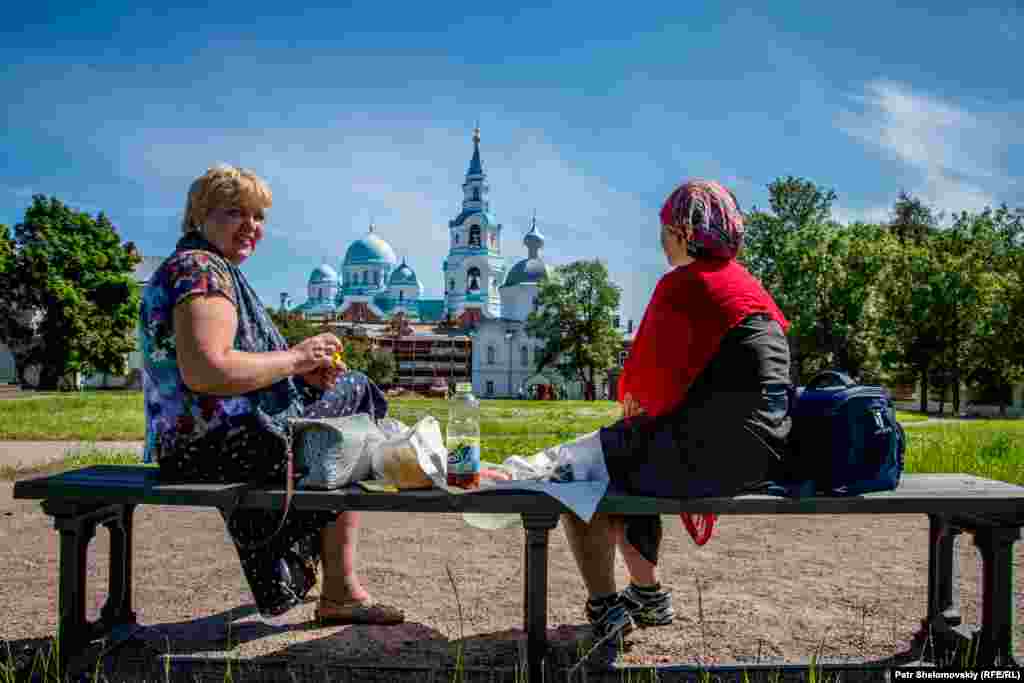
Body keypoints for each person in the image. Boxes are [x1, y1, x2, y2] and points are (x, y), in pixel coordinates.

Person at [139, 164, 404, 625]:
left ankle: (301, 566)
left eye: (258, 216)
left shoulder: (200, 267)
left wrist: (299, 379)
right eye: (235, 212)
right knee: (355, 392)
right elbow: (208, 370)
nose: (252, 227)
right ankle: (311, 573)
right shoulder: (201, 270)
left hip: (200, 444)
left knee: (338, 416)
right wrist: (299, 359)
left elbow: (222, 374)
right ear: (200, 216)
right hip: (223, 446)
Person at [557, 179, 791, 641]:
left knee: (577, 472)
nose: (661, 241)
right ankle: (646, 595)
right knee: (629, 453)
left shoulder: (684, 286)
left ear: (685, 233)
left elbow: (639, 390)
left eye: (665, 231)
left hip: (710, 457)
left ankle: (607, 607)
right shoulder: (751, 289)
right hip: (765, 456)